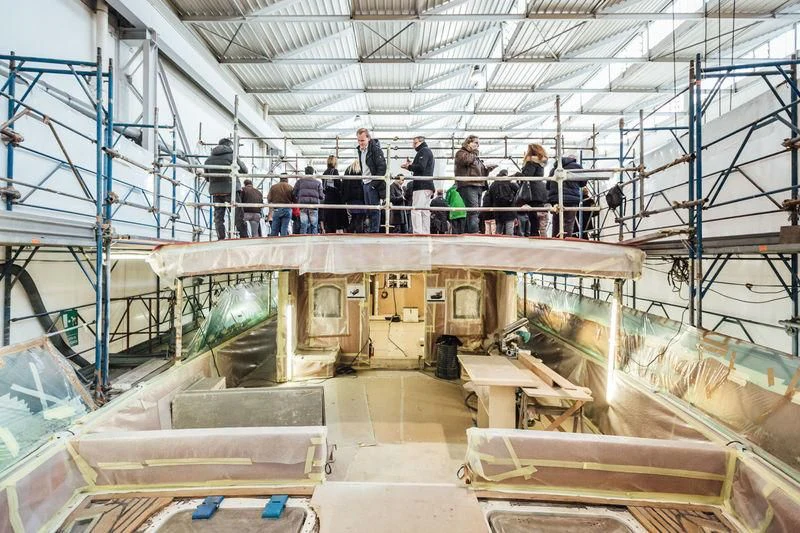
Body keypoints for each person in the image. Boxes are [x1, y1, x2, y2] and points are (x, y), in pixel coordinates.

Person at [203, 138, 248, 240]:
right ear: (229, 146)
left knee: (218, 218)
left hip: (216, 192)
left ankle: (221, 238)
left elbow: (207, 177)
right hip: (231, 189)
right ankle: (244, 238)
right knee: (238, 216)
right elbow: (244, 170)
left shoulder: (208, 159)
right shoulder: (232, 156)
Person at [454, 135, 496, 233]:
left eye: (478, 143)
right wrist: (474, 153)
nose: (478, 145)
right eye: (475, 142)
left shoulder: (475, 157)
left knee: (474, 211)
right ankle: (474, 232)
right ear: (468, 143)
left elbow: (479, 172)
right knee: (473, 210)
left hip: (478, 185)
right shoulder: (461, 153)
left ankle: (469, 232)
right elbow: (466, 161)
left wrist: (487, 169)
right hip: (468, 184)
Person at [401, 136, 435, 234]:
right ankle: (425, 232)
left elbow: (421, 167)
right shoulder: (427, 151)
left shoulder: (423, 151)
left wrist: (409, 166)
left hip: (421, 185)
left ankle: (418, 232)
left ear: (421, 142)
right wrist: (410, 166)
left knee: (416, 209)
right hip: (428, 185)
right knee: (425, 211)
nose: (413, 145)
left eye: (415, 143)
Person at [356, 128, 387, 233]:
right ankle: (371, 230)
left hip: (372, 183)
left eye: (362, 140)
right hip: (365, 182)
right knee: (368, 209)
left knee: (374, 209)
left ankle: (374, 232)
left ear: (368, 138)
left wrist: (374, 184)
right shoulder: (360, 151)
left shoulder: (375, 150)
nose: (360, 143)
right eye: (359, 140)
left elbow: (382, 168)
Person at [547, 154, 587, 238]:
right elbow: (583, 183)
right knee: (568, 221)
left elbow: (548, 185)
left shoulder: (554, 168)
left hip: (555, 198)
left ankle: (555, 240)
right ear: (574, 160)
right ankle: (566, 240)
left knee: (556, 221)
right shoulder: (577, 167)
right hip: (571, 199)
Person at [520, 144, 551, 237]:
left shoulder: (531, 162)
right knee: (540, 216)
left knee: (533, 216)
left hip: (532, 192)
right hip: (541, 191)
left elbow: (526, 176)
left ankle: (535, 235)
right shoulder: (541, 163)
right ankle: (542, 235)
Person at [486, 170, 519, 236]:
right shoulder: (509, 182)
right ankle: (508, 243)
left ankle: (498, 242)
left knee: (499, 229)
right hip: (509, 209)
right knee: (509, 230)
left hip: (498, 210)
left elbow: (489, 198)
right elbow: (518, 190)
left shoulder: (493, 184)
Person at [321, 155, 348, 233]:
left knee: (329, 218)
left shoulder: (324, 172)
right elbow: (338, 185)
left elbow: (324, 187)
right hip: (335, 197)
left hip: (327, 197)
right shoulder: (334, 171)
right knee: (338, 218)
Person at [295, 165, 324, 234]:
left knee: (303, 225)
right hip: (313, 206)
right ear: (313, 172)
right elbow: (321, 195)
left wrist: (299, 197)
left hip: (303, 206)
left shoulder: (299, 182)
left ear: (305, 172)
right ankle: (314, 241)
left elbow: (294, 192)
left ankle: (303, 241)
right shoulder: (318, 183)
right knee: (314, 226)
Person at [339, 160, 367, 233]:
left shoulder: (348, 170)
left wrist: (344, 198)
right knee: (360, 217)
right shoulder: (362, 170)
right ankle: (358, 233)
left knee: (354, 216)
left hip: (351, 198)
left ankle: (349, 231)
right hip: (361, 197)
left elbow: (344, 185)